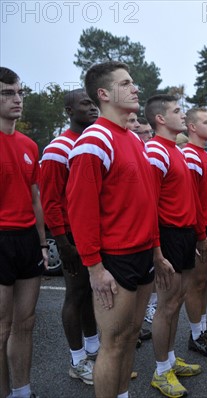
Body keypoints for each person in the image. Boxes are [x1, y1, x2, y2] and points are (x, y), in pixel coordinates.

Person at [66, 61, 157, 398]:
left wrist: (157, 252)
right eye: (126, 83)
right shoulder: (94, 140)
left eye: (133, 82)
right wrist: (94, 267)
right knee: (113, 344)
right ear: (103, 94)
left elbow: (146, 202)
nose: (135, 88)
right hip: (115, 259)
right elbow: (80, 210)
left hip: (143, 253)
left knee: (130, 337)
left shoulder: (133, 140)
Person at [145, 95, 207, 397]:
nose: (182, 115)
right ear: (160, 119)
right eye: (175, 111)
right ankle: (160, 371)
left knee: (179, 300)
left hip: (185, 234)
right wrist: (157, 252)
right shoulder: (155, 151)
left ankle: (169, 360)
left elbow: (192, 199)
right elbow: (149, 204)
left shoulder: (177, 151)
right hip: (168, 235)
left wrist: (200, 235)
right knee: (167, 305)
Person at [40, 88, 99, 385]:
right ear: (69, 110)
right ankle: (77, 361)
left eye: (93, 102)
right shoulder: (58, 147)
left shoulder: (92, 142)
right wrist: (63, 244)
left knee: (90, 292)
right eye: (84, 103)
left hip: (93, 233)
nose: (92, 108)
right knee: (75, 294)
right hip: (71, 236)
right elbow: (50, 201)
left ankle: (93, 352)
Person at [0, 67, 49, 398]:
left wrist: (44, 243)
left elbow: (35, 197)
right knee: (1, 328)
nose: (17, 99)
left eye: (20, 92)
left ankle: (23, 391)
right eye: (7, 93)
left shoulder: (30, 144)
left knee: (25, 323)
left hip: (29, 240)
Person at [182, 107, 207, 357]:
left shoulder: (204, 155)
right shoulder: (190, 155)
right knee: (196, 283)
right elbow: (192, 200)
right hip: (202, 229)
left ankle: (203, 327)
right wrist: (200, 235)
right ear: (192, 127)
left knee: (204, 282)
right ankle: (195, 334)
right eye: (206, 121)